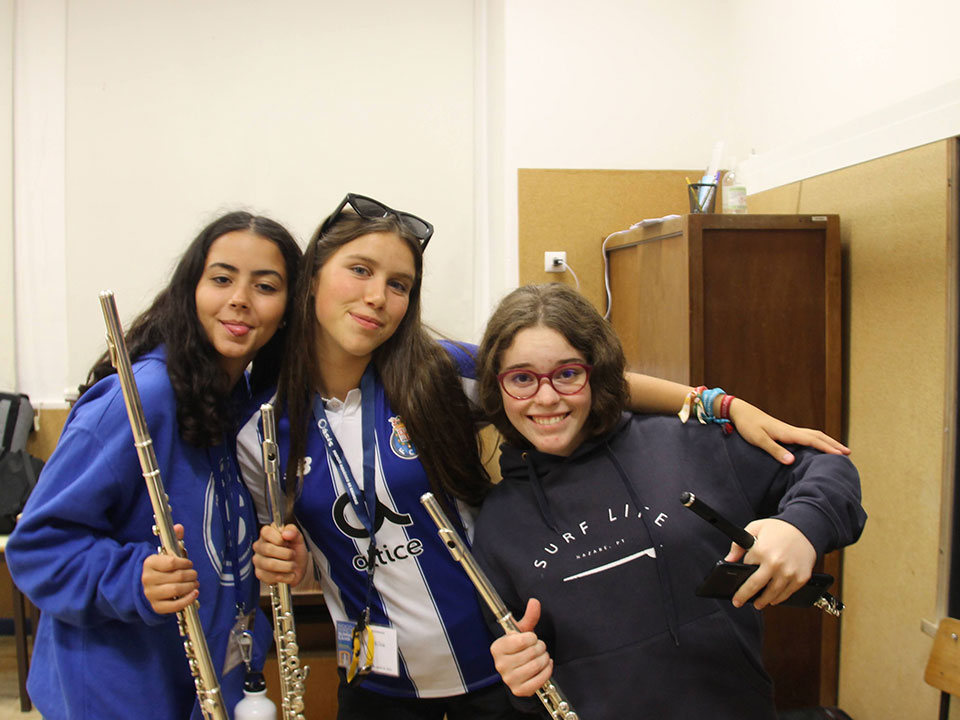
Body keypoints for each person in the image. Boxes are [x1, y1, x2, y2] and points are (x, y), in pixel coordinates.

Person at [240, 193, 853, 720]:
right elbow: (298, 543)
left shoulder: (435, 375)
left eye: (399, 284)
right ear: (312, 275)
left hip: (489, 665)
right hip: (381, 673)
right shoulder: (258, 421)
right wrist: (291, 561)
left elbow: (562, 374)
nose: (377, 296)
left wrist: (714, 402)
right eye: (359, 270)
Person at [470, 283, 867, 719]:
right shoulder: (496, 527)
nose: (546, 397)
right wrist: (520, 682)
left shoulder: (687, 444)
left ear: (597, 372)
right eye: (522, 379)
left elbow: (825, 465)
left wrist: (801, 527)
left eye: (567, 374)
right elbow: (526, 684)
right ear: (497, 387)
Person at [6, 211, 302, 720]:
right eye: (222, 279)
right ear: (191, 290)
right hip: (120, 695)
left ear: (288, 309)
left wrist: (278, 556)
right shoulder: (140, 399)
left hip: (208, 687)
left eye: (265, 286)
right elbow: (37, 548)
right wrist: (132, 578)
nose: (240, 299)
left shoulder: (248, 407)